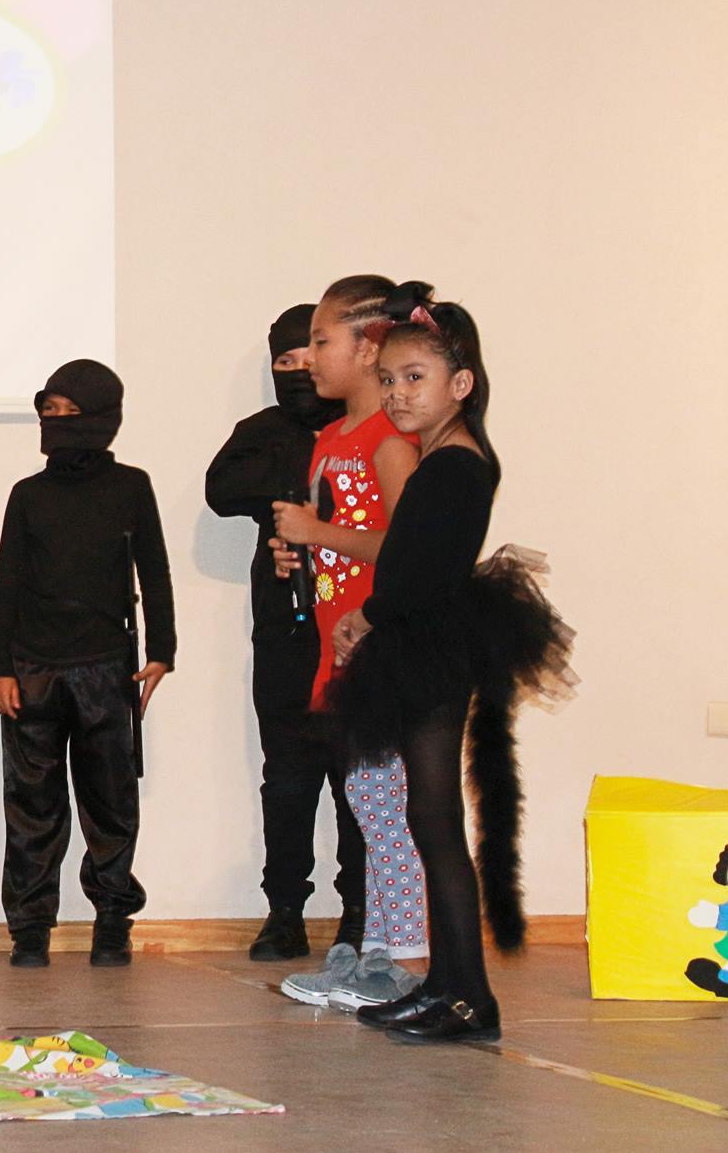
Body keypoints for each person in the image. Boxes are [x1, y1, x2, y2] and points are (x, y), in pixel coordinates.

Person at [329, 283, 572, 1042]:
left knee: (435, 821)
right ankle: (448, 983)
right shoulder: (444, 456)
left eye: (415, 378)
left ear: (460, 384)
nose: (398, 394)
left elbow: (419, 574)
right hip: (428, 640)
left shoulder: (453, 465)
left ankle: (467, 997)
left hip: (428, 645)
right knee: (427, 817)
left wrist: (367, 615)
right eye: (389, 379)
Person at [270, 275, 426, 1012]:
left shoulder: (388, 440)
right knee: (367, 803)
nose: (307, 357)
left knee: (390, 809)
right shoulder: (329, 440)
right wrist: (299, 552)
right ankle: (374, 953)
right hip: (341, 648)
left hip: (384, 647)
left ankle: (407, 961)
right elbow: (337, 538)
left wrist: (319, 531)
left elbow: (408, 548)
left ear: (369, 349)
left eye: (321, 340)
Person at [0, 359, 173, 969]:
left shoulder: (131, 487)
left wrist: (162, 652)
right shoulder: (28, 494)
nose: (58, 421)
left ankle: (113, 921)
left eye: (72, 412)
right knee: (31, 807)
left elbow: (154, 570)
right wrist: (0, 669)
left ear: (102, 417)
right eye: (50, 410)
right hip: (33, 671)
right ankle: (30, 929)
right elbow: (7, 584)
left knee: (110, 802)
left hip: (106, 669)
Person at [205, 304, 363, 961]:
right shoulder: (262, 430)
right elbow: (220, 488)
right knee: (288, 779)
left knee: (360, 780)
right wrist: (293, 485)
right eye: (285, 362)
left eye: (310, 356)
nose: (300, 371)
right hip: (285, 632)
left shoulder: (365, 432)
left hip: (357, 629)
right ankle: (285, 911)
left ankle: (361, 914)